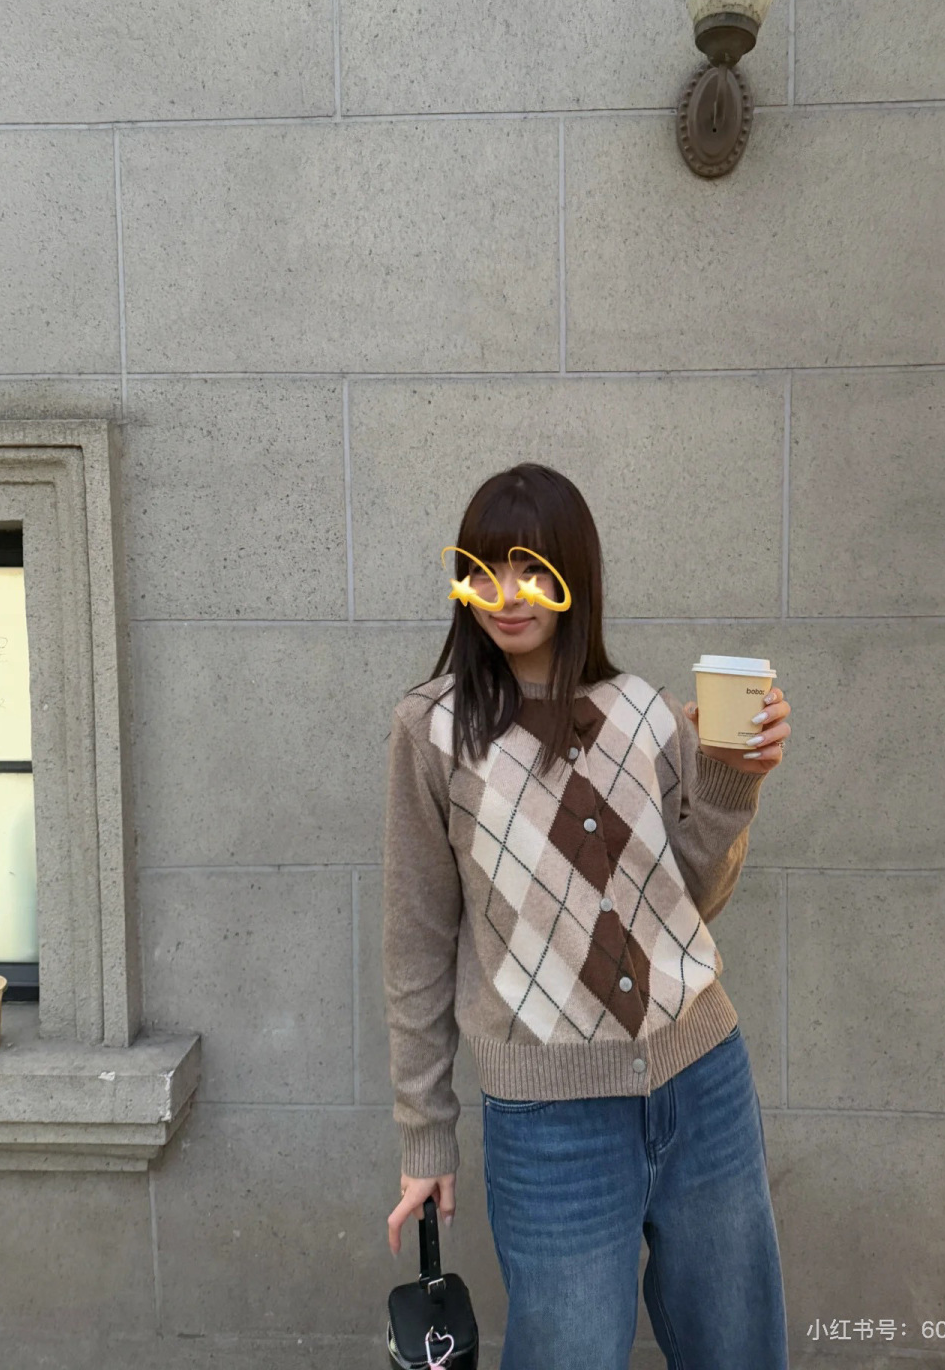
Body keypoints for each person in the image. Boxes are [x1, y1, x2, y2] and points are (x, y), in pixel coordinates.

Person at [382, 462, 792, 1370]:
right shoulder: (432, 731)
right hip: (551, 1123)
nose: (506, 595)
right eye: (485, 570)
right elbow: (415, 946)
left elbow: (693, 902)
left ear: (576, 575)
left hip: (705, 1086)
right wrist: (426, 1133)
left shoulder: (647, 713)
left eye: (532, 569)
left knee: (741, 1349)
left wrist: (732, 782)